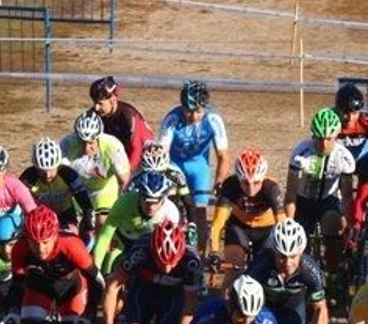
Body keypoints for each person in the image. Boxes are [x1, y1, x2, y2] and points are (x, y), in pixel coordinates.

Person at [247, 219, 328, 324]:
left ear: (302, 252)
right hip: (265, 308)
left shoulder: (310, 271)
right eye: (282, 256)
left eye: (293, 256)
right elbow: (243, 298)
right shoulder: (261, 264)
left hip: (293, 311)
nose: (288, 263)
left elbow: (320, 309)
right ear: (274, 251)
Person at [287, 107, 358, 273]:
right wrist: (290, 223)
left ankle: (332, 274)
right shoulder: (300, 153)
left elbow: (347, 196)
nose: (324, 144)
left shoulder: (345, 158)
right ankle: (302, 274)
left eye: (329, 139)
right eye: (319, 139)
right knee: (298, 242)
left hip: (328, 199)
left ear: (337, 136)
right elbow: (290, 194)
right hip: (303, 200)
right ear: (313, 135)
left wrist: (348, 223)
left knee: (334, 231)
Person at [157, 80, 229, 227]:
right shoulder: (172, 119)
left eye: (198, 111)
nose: (194, 116)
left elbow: (223, 157)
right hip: (174, 165)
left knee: (200, 214)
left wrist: (219, 182)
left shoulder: (213, 119)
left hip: (199, 167)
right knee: (171, 210)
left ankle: (201, 250)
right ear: (182, 106)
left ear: (205, 107)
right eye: (188, 110)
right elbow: (161, 153)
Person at [90, 169, 182, 275]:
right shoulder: (124, 202)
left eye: (155, 202)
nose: (150, 207)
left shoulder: (171, 213)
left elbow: (169, 249)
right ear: (139, 196)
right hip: (122, 241)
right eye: (146, 201)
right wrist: (95, 272)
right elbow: (104, 237)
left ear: (163, 199)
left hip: (150, 246)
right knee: (108, 272)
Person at [209, 149, 285, 271]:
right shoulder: (230, 186)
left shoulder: (271, 188)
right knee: (233, 272)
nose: (251, 189)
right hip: (239, 226)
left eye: (256, 183)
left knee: (264, 271)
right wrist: (214, 252)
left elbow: (282, 223)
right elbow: (217, 223)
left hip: (266, 229)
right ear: (238, 179)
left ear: (263, 178)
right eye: (245, 183)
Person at [61, 111, 131, 226]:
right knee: (73, 228)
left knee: (103, 224)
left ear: (98, 137)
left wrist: (120, 208)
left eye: (90, 143)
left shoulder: (113, 147)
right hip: (78, 190)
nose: (86, 148)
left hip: (104, 190)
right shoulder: (67, 144)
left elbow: (124, 181)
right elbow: (56, 175)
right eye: (82, 142)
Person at [20, 137, 97, 239]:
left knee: (72, 233)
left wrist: (89, 225)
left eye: (51, 169)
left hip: (65, 214)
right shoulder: (28, 177)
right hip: (39, 218)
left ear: (58, 165)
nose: (47, 175)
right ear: (35, 166)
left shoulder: (69, 175)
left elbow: (85, 203)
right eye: (42, 171)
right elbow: (17, 203)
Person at [88, 76, 153, 163]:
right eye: (94, 102)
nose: (96, 108)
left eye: (100, 103)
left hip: (141, 157)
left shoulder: (128, 116)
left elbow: (136, 150)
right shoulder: (93, 115)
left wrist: (126, 174)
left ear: (113, 100)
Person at [333, 82, 368, 163]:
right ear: (337, 109)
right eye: (345, 113)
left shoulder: (367, 121)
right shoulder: (331, 121)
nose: (350, 118)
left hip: (362, 166)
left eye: (354, 113)